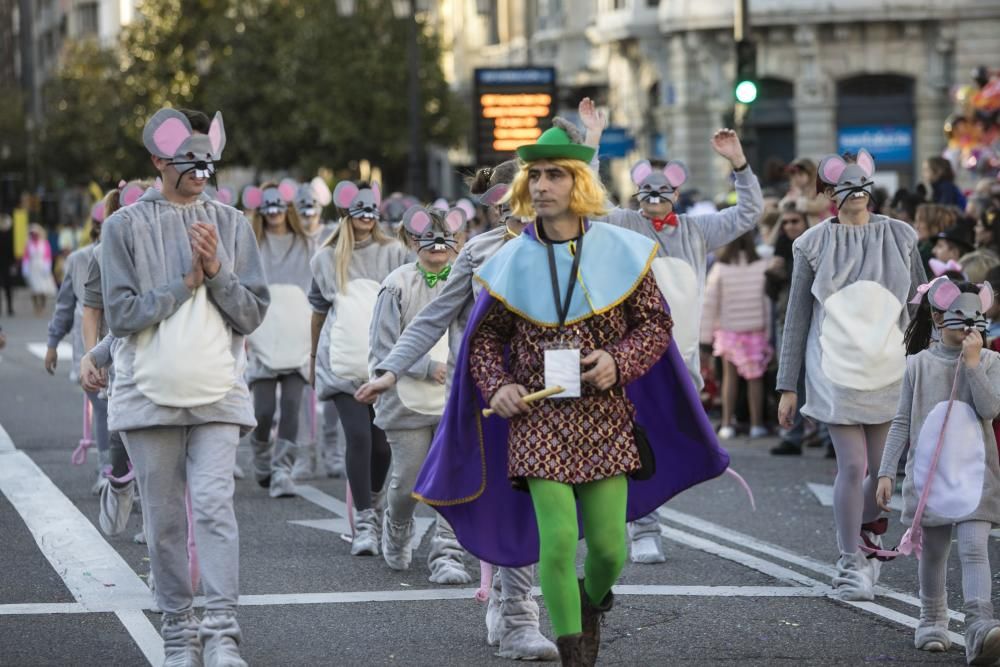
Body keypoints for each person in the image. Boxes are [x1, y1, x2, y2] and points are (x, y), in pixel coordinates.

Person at [410, 127, 731, 665]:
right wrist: (501, 386)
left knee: (609, 549)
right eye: (534, 175)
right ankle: (572, 652)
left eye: (554, 174)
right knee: (556, 542)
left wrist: (617, 361)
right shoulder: (509, 259)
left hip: (604, 418)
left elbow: (654, 325)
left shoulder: (621, 249)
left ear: (578, 183)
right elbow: (485, 339)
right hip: (537, 421)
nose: (541, 185)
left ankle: (592, 600)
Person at [355, 158, 559, 661]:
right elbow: (431, 320)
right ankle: (515, 616)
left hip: (555, 395)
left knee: (556, 514)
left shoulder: (572, 242)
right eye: (527, 186)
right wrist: (390, 369)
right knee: (514, 502)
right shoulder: (480, 253)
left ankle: (512, 604)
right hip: (491, 396)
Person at [101, 107, 269, 666]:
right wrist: (185, 283)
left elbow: (252, 315)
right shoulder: (122, 227)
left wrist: (218, 273)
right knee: (165, 519)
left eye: (208, 163)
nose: (201, 173)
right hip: (147, 398)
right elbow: (122, 315)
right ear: (158, 160)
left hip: (218, 391)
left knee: (216, 506)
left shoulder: (233, 225)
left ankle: (222, 632)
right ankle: (179, 630)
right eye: (188, 163)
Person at [578, 98, 764, 565]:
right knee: (633, 435)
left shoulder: (698, 231)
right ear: (637, 195)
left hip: (680, 356)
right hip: (630, 354)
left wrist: (739, 163)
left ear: (677, 194)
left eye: (663, 194)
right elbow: (588, 201)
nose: (655, 201)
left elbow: (748, 213)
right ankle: (644, 526)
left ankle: (645, 515)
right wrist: (593, 141)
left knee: (665, 438)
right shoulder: (623, 223)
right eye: (647, 194)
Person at [777, 149, 926, 601]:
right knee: (854, 465)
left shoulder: (900, 236)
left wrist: (931, 365)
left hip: (888, 366)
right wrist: (787, 385)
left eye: (861, 184)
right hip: (835, 366)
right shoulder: (813, 243)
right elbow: (796, 317)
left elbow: (921, 304)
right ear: (828, 192)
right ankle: (850, 561)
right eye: (843, 185)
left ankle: (869, 535)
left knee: (882, 472)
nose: (854, 193)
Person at [875, 277, 1000, 663]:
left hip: (975, 476)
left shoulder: (993, 362)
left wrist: (975, 364)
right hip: (930, 475)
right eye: (958, 317)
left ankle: (981, 627)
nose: (967, 326)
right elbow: (900, 422)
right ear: (936, 316)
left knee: (976, 548)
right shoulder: (919, 364)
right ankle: (931, 620)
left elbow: (989, 410)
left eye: (976, 318)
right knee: (933, 553)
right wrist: (884, 471)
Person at [370, 204, 474, 583]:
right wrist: (428, 367)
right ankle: (397, 525)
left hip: (453, 399)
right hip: (405, 398)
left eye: (445, 236)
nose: (437, 245)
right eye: (427, 236)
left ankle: (447, 552)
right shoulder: (396, 285)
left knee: (451, 476)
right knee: (408, 481)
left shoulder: (468, 282)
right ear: (412, 240)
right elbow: (383, 349)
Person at [309, 179, 408, 556]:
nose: (366, 217)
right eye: (359, 209)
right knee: (360, 438)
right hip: (341, 364)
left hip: (384, 365)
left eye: (371, 210)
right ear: (345, 211)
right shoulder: (325, 258)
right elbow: (318, 314)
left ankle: (376, 502)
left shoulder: (395, 253)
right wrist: (311, 357)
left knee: (383, 446)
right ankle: (365, 520)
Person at [241, 181, 315, 498]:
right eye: (267, 206)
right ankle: (261, 456)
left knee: (291, 405)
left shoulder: (307, 244)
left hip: (298, 335)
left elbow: (317, 289)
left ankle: (283, 469)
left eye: (279, 205)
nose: (274, 212)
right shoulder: (250, 244)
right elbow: (243, 289)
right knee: (264, 409)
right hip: (263, 334)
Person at [45, 199, 109, 493]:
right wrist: (52, 343)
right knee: (102, 408)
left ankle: (121, 471)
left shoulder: (135, 252)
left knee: (121, 414)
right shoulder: (79, 259)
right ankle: (108, 469)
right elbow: (64, 306)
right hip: (92, 347)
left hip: (126, 347)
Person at [291, 176, 345, 481]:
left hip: (329, 319)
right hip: (296, 321)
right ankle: (305, 453)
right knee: (301, 392)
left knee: (332, 386)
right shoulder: (289, 238)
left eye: (312, 205)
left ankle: (332, 450)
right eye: (302, 206)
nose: (307, 212)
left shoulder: (331, 236)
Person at [701, 230, 772, 440]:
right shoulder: (762, 265)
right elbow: (767, 302)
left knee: (729, 379)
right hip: (755, 330)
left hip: (728, 330)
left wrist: (704, 339)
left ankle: (726, 423)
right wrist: (769, 334)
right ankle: (757, 425)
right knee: (755, 379)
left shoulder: (720, 268)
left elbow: (709, 304)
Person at [23, 222, 56, 315]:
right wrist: (25, 267)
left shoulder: (44, 243)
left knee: (43, 289)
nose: (34, 235)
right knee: (34, 289)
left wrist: (47, 266)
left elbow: (48, 255)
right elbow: (26, 256)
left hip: (42, 267)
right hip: (32, 267)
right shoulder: (28, 244)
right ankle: (36, 306)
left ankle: (42, 306)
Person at [0, 214, 14, 316]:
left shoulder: (10, 236)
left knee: (8, 287)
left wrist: (13, 263)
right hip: (4, 264)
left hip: (7, 264)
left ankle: (9, 308)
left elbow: (12, 252)